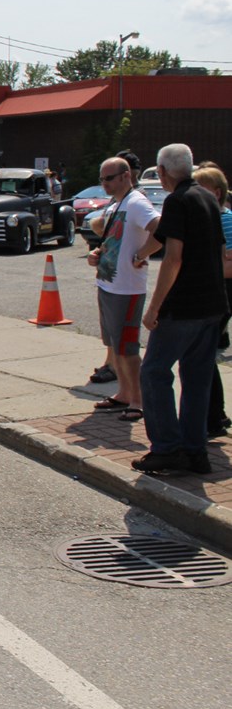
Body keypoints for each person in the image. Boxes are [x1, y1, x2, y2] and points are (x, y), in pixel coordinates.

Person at [131, 143, 228, 475]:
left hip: (183, 307)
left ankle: (167, 448)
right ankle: (194, 450)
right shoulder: (206, 198)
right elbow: (170, 238)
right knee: (197, 378)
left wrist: (153, 307)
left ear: (161, 172)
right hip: (213, 304)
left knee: (154, 372)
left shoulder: (176, 201)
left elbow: (174, 258)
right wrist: (141, 254)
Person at [85, 156, 160, 423]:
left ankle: (138, 400)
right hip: (108, 284)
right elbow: (112, 241)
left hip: (127, 289)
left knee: (128, 347)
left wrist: (141, 255)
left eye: (108, 178)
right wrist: (96, 254)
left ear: (125, 176)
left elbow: (159, 229)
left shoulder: (137, 202)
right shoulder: (117, 204)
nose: (103, 184)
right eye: (101, 178)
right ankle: (124, 393)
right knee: (116, 345)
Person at [194, 164, 232, 437]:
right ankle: (215, 416)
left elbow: (227, 265)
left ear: (216, 193)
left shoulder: (223, 220)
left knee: (203, 355)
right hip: (217, 293)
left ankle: (214, 418)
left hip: (222, 294)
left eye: (200, 186)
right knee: (205, 356)